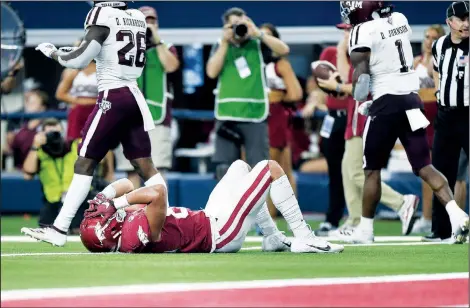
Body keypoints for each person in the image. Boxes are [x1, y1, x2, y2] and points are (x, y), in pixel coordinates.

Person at [21, 1, 167, 246]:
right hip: (134, 95)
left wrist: (54, 53)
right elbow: (105, 49)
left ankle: (59, 228)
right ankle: (166, 219)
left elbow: (79, 60)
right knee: (145, 165)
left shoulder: (101, 14)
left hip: (112, 95)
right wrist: (68, 49)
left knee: (84, 161)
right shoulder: (137, 17)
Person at [338, 1, 468, 244]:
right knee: (425, 166)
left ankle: (365, 230)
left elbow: (362, 82)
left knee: (371, 170)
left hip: (386, 104)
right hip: (412, 101)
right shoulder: (399, 19)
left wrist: (363, 98)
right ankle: (457, 215)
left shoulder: (360, 31)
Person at [80, 159, 344, 254]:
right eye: (99, 217)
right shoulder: (132, 233)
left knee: (239, 168)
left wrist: (105, 199)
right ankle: (304, 237)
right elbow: (158, 192)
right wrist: (114, 203)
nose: (103, 213)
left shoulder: (120, 232)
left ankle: (273, 237)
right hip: (221, 234)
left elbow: (125, 183)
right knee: (269, 169)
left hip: (208, 219)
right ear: (108, 231)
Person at [316, 22, 419, 237]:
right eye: (344, 31)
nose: (345, 34)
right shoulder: (356, 50)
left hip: (368, 115)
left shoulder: (369, 50)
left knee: (356, 172)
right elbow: (346, 80)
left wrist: (335, 85)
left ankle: (401, 202)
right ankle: (354, 221)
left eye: (348, 30)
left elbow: (354, 86)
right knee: (347, 170)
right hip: (355, 118)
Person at [206, 7, 290, 181]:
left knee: (259, 170)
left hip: (255, 114)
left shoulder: (258, 44)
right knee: (225, 171)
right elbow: (211, 72)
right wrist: (224, 42)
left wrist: (258, 33)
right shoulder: (221, 45)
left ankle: (259, 209)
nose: (238, 29)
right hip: (227, 115)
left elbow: (283, 50)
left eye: (240, 24)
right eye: (233, 25)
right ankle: (227, 208)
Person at [114, 5, 180, 188]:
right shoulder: (124, 46)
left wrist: (156, 41)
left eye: (152, 21)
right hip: (129, 118)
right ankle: (133, 214)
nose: (148, 24)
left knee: (158, 169)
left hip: (157, 117)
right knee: (131, 169)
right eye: (145, 21)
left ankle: (160, 213)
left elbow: (171, 66)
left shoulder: (167, 47)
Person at [423, 1, 469, 242]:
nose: (466, 23)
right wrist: (440, 93)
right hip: (447, 114)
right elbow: (437, 71)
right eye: (461, 18)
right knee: (441, 172)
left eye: (469, 18)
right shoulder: (440, 45)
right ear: (449, 22)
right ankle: (440, 230)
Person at [261, 23, 302, 218]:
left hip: (276, 117)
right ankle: (273, 213)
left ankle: (277, 213)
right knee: (255, 166)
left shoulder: (280, 64)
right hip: (256, 117)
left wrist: (276, 97)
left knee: (277, 168)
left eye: (268, 36)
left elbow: (296, 93)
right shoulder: (253, 62)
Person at [410, 25, 446, 234]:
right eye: (427, 37)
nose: (429, 41)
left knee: (430, 167)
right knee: (422, 169)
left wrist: (420, 95)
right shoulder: (416, 62)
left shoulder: (439, 62)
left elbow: (438, 92)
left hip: (434, 118)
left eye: (434, 38)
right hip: (418, 117)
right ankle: (426, 215)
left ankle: (428, 216)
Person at [55, 38, 98, 142]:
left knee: (100, 141)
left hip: (97, 110)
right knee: (75, 142)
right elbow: (60, 94)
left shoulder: (102, 69)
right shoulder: (73, 70)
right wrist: (78, 101)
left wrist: (94, 102)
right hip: (78, 112)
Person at [7, 90, 49, 170]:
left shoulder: (50, 123)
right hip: (20, 168)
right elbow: (10, 147)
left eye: (33, 103)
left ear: (43, 107)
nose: (29, 105)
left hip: (44, 169)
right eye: (28, 102)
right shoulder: (19, 121)